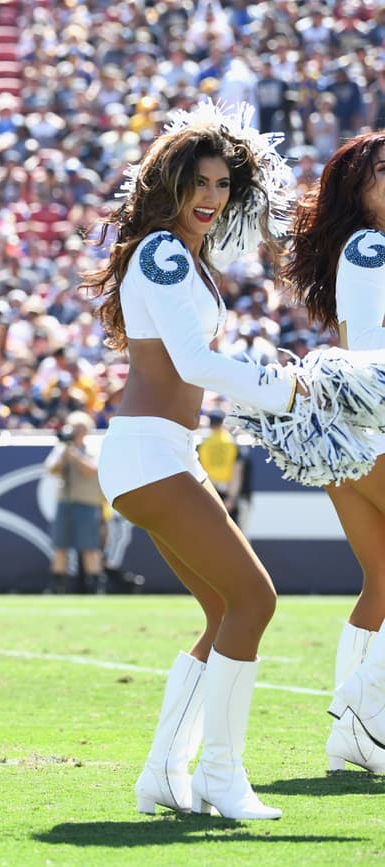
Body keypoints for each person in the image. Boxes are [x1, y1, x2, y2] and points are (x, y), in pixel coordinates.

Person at [81, 102, 302, 820]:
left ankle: (162, 774)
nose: (211, 197)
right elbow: (195, 361)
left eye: (221, 186)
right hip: (148, 453)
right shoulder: (165, 254)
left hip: (161, 452)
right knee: (256, 598)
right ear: (170, 185)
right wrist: (292, 386)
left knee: (222, 610)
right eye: (198, 183)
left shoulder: (181, 255)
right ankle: (221, 775)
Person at [283, 130, 385, 774]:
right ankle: (360, 713)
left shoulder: (365, 248)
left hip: (350, 428)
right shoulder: (373, 248)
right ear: (360, 189)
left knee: (381, 580)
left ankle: (352, 735)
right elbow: (374, 350)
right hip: (371, 424)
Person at [43, 412, 105, 594]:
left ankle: (94, 585)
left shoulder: (94, 448)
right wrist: (65, 453)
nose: (77, 432)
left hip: (87, 503)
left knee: (89, 546)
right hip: (65, 502)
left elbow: (92, 470)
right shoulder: (61, 449)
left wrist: (75, 454)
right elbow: (52, 470)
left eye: (80, 428)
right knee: (60, 545)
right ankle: (57, 585)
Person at [197, 410, 251, 531]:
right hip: (229, 493)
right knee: (234, 534)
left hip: (212, 493)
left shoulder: (204, 445)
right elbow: (237, 472)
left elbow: (202, 471)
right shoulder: (231, 443)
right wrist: (232, 498)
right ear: (223, 422)